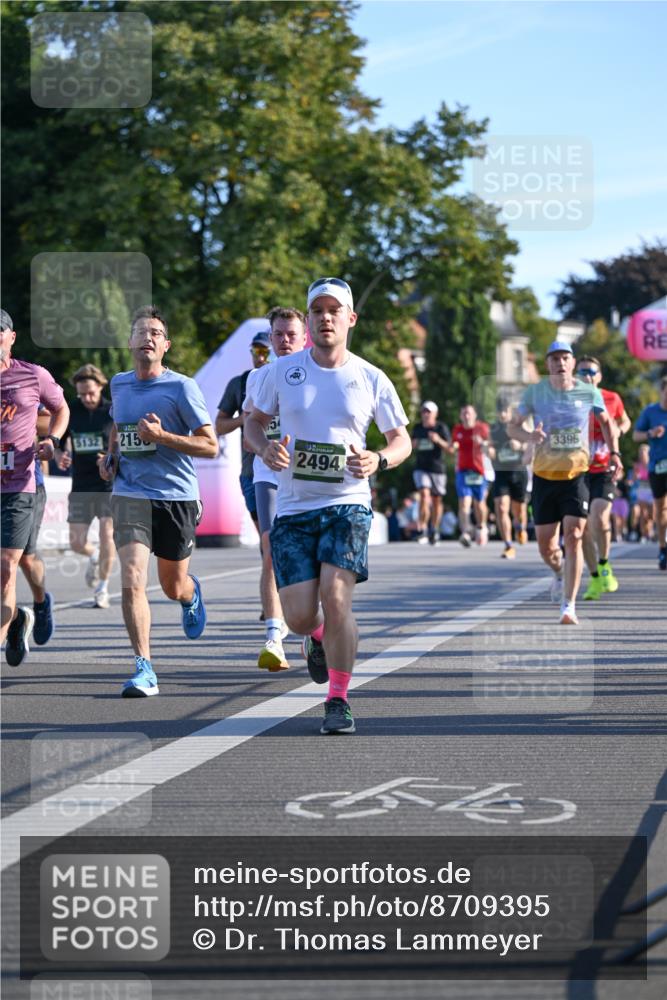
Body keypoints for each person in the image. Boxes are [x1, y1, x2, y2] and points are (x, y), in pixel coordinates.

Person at [245, 277, 411, 734]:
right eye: (316, 310)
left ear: (350, 318)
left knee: (337, 599)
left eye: (333, 310)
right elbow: (253, 425)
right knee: (299, 616)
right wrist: (263, 449)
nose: (324, 317)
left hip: (347, 503)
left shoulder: (371, 376)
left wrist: (379, 458)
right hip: (295, 508)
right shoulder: (280, 372)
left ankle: (337, 698)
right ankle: (315, 638)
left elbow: (401, 440)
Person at [99, 305, 218, 696]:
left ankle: (190, 594)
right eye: (141, 331)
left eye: (155, 333)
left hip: (177, 497)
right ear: (130, 341)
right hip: (130, 494)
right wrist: (111, 457)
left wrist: (164, 437)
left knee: (172, 586)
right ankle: (144, 667)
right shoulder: (118, 383)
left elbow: (210, 445)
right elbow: (119, 425)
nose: (147, 337)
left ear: (165, 345)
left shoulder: (182, 388)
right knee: (132, 579)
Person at [508, 340, 622, 625]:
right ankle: (558, 571)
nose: (560, 363)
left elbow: (608, 424)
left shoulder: (589, 391)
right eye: (555, 358)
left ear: (572, 363)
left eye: (565, 358)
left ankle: (568, 606)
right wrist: (529, 437)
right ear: (547, 364)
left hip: (576, 476)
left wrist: (615, 453)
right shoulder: (536, 393)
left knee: (573, 537)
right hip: (545, 477)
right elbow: (512, 425)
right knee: (546, 547)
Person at [1, 309, 69, 665]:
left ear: (11, 337)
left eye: (0, 333)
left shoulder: (32, 375)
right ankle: (23, 616)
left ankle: (38, 604)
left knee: (7, 564)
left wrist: (53, 440)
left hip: (22, 483)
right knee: (24, 559)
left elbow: (61, 408)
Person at [242, 306, 308, 671]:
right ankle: (273, 636)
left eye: (291, 335)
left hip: (309, 478)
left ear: (304, 337)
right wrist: (264, 448)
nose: (284, 341)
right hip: (268, 473)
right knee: (270, 547)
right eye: (278, 334)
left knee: (309, 558)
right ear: (271, 338)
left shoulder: (320, 375)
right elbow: (252, 427)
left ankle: (313, 632)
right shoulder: (259, 378)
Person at [55, 364, 116, 608]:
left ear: (100, 387)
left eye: (91, 392)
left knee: (107, 535)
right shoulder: (71, 409)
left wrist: (112, 457)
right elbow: (57, 439)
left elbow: (124, 442)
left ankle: (102, 588)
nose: (87, 398)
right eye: (82, 394)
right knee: (76, 543)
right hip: (81, 483)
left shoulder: (112, 410)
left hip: (107, 483)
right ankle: (92, 557)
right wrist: (59, 454)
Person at [575, 356, 631, 599]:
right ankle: (595, 578)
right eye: (582, 372)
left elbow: (625, 421)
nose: (586, 375)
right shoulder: (570, 399)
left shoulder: (612, 398)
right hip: (578, 469)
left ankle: (605, 562)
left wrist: (620, 429)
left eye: (591, 371)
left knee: (599, 517)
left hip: (605, 467)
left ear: (599, 376)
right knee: (583, 527)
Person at [215, 330, 271, 531]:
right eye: (256, 350)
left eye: (265, 350)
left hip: (285, 471)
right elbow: (219, 426)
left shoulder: (291, 380)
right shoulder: (240, 383)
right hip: (251, 472)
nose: (261, 356)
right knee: (268, 541)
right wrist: (243, 419)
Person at [633, 374, 667, 570]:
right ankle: (663, 548)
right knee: (661, 510)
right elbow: (636, 435)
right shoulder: (650, 412)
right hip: (658, 467)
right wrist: (650, 434)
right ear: (661, 391)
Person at [488, 398, 528, 559]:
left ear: (510, 411)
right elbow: (489, 444)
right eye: (500, 411)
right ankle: (508, 545)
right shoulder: (494, 428)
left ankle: (520, 527)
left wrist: (520, 446)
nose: (502, 414)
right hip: (501, 472)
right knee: (501, 507)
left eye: (505, 411)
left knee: (518, 510)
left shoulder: (518, 425)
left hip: (518, 472)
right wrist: (488, 450)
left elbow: (531, 441)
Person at [411, 400, 451, 545]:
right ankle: (422, 529)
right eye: (424, 411)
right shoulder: (417, 428)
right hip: (421, 468)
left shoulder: (441, 428)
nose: (426, 414)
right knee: (424, 494)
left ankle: (434, 528)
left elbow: (450, 449)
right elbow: (409, 446)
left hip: (438, 469)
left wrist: (438, 440)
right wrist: (412, 445)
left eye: (429, 411)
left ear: (435, 414)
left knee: (436, 501)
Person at [451, 404, 490, 546]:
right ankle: (466, 532)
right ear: (461, 416)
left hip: (479, 471)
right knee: (464, 503)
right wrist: (453, 447)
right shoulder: (458, 429)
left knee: (479, 504)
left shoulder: (482, 428)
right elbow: (454, 444)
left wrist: (483, 443)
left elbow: (490, 448)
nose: (466, 416)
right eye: (464, 414)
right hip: (463, 471)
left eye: (469, 413)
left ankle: (481, 527)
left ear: (474, 415)